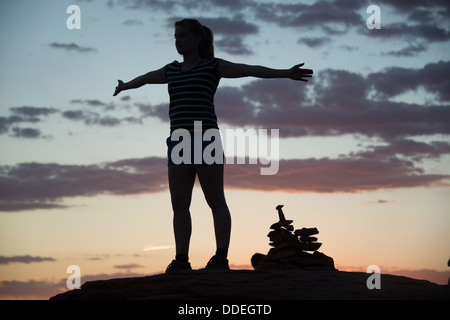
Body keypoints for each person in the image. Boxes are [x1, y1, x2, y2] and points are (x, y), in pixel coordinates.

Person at [113, 19, 313, 273]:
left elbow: (248, 69)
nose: (178, 41)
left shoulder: (212, 66)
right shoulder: (171, 70)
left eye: (183, 36)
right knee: (179, 204)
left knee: (215, 200)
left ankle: (220, 257)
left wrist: (285, 72)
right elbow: (146, 78)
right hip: (179, 140)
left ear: (198, 39)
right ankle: (181, 259)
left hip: (205, 137)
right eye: (175, 37)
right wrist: (125, 85)